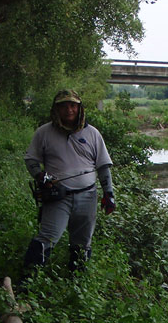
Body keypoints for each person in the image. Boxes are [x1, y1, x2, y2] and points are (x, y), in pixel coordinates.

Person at [22, 88, 115, 273]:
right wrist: (41, 177)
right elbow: (31, 159)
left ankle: (77, 282)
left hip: (88, 197)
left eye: (73, 105)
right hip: (57, 197)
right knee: (47, 237)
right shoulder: (44, 132)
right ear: (56, 109)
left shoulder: (93, 134)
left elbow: (103, 166)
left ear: (79, 108)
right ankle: (27, 282)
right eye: (64, 106)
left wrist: (109, 194)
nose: (69, 110)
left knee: (82, 243)